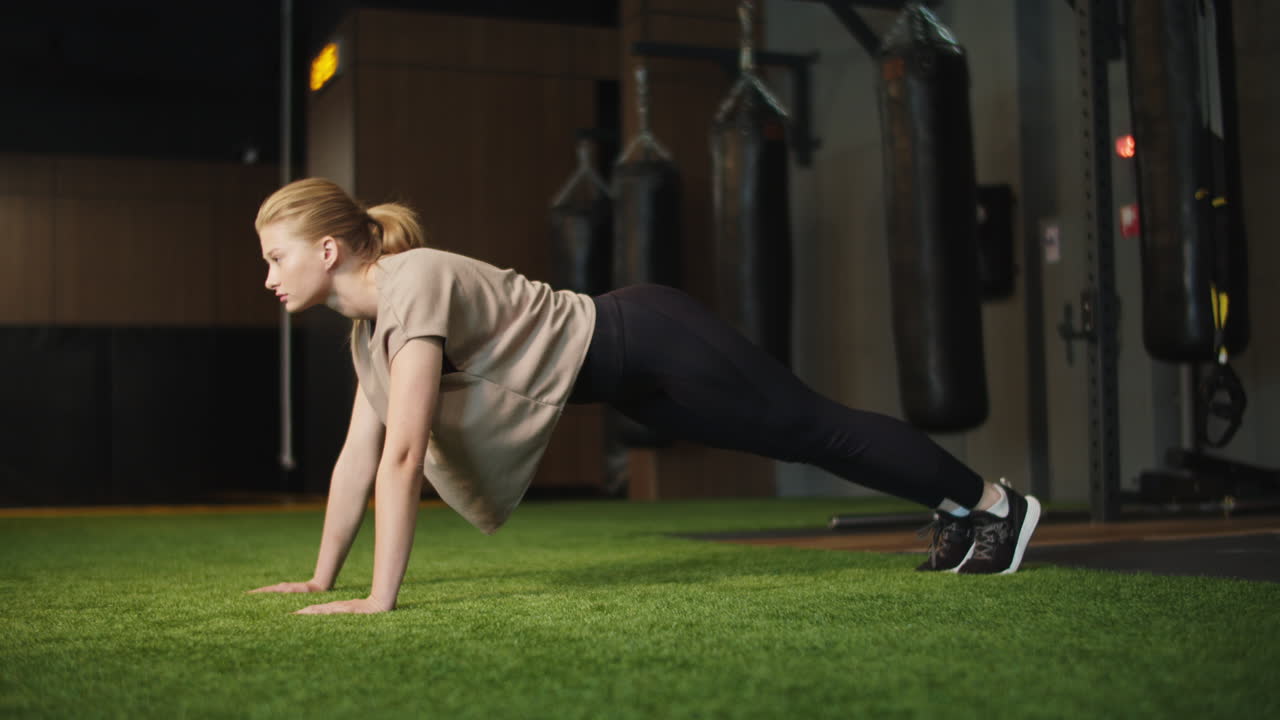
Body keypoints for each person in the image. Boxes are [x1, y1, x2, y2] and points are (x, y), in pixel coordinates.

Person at [247, 178, 1041, 615]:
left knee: (817, 431)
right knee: (799, 436)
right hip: (635, 382)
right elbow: (358, 460)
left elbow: (405, 454)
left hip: (652, 337)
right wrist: (323, 578)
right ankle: (960, 510)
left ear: (327, 249)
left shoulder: (412, 283)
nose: (270, 277)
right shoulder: (368, 334)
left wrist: (380, 599)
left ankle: (995, 506)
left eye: (278, 257)